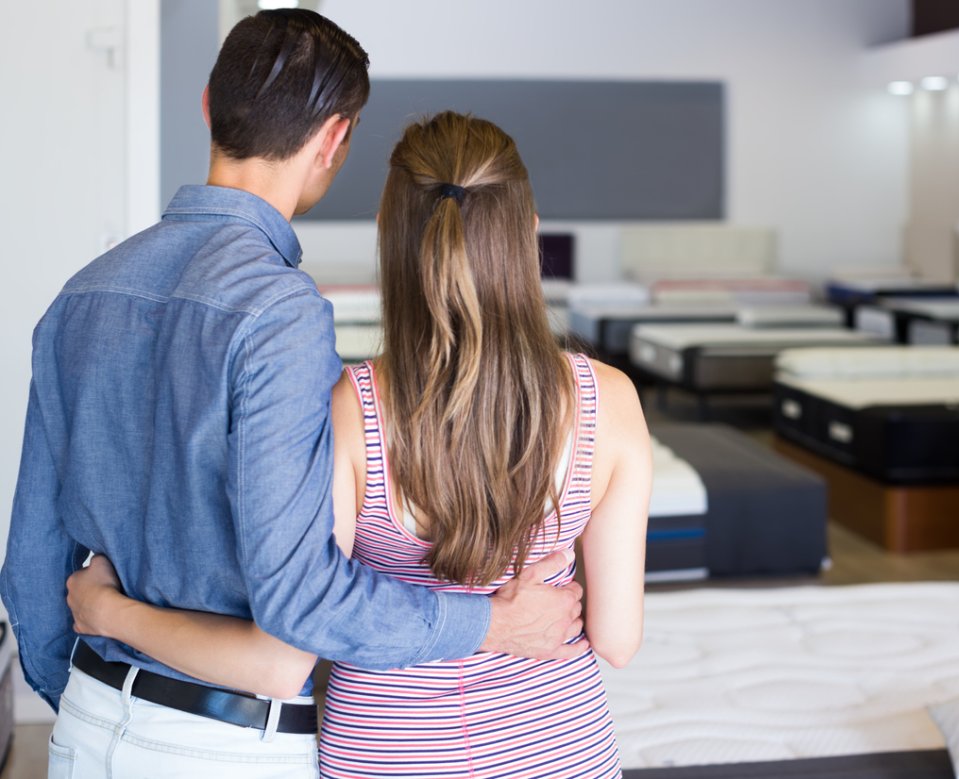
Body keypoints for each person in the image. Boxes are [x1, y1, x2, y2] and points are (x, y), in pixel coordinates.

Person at [1, 12, 585, 778]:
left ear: (208, 106)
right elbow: (301, 599)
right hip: (221, 744)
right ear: (334, 142)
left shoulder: (78, 297)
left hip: (86, 723)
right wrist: (488, 622)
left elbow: (30, 573)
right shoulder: (281, 314)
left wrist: (91, 694)